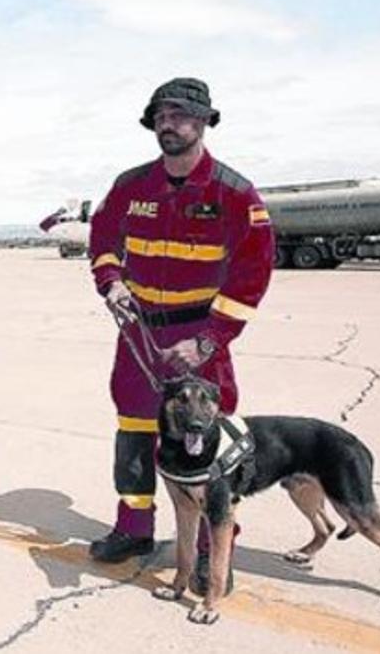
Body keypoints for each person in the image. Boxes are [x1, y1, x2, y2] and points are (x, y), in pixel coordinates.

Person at [85, 77, 274, 588]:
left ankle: (216, 551)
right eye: (161, 116)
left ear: (205, 121)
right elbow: (102, 236)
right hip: (139, 335)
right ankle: (134, 528)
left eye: (181, 115)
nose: (169, 123)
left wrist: (209, 340)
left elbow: (252, 274)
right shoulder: (130, 185)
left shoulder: (235, 194)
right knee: (133, 431)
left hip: (199, 334)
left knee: (211, 442)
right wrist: (111, 280)